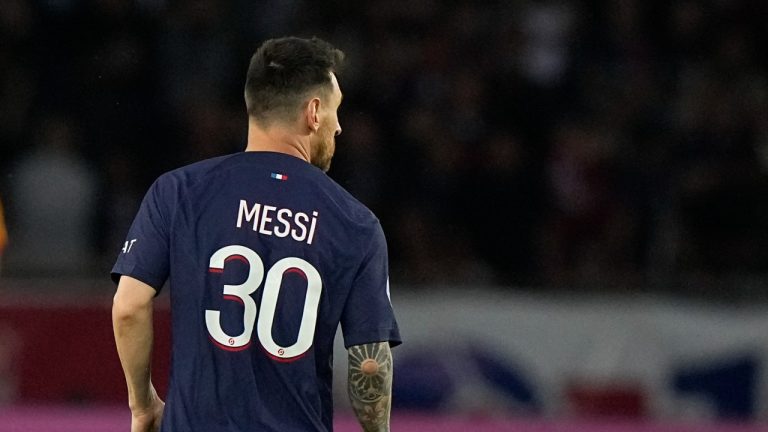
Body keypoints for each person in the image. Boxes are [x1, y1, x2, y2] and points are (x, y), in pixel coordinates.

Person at [111, 36, 401, 432]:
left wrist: (142, 404)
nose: (338, 126)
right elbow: (369, 362)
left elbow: (129, 307)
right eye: (336, 111)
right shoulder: (355, 222)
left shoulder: (179, 191)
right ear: (314, 112)